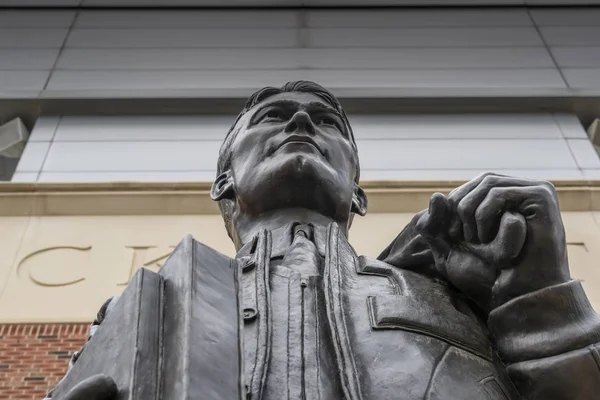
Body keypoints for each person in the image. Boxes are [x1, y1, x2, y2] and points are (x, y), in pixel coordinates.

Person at [51, 81, 600, 399]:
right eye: (274, 117)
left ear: (357, 194)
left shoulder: (452, 292)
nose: (302, 125)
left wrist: (540, 302)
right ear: (224, 182)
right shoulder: (153, 310)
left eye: (325, 122)